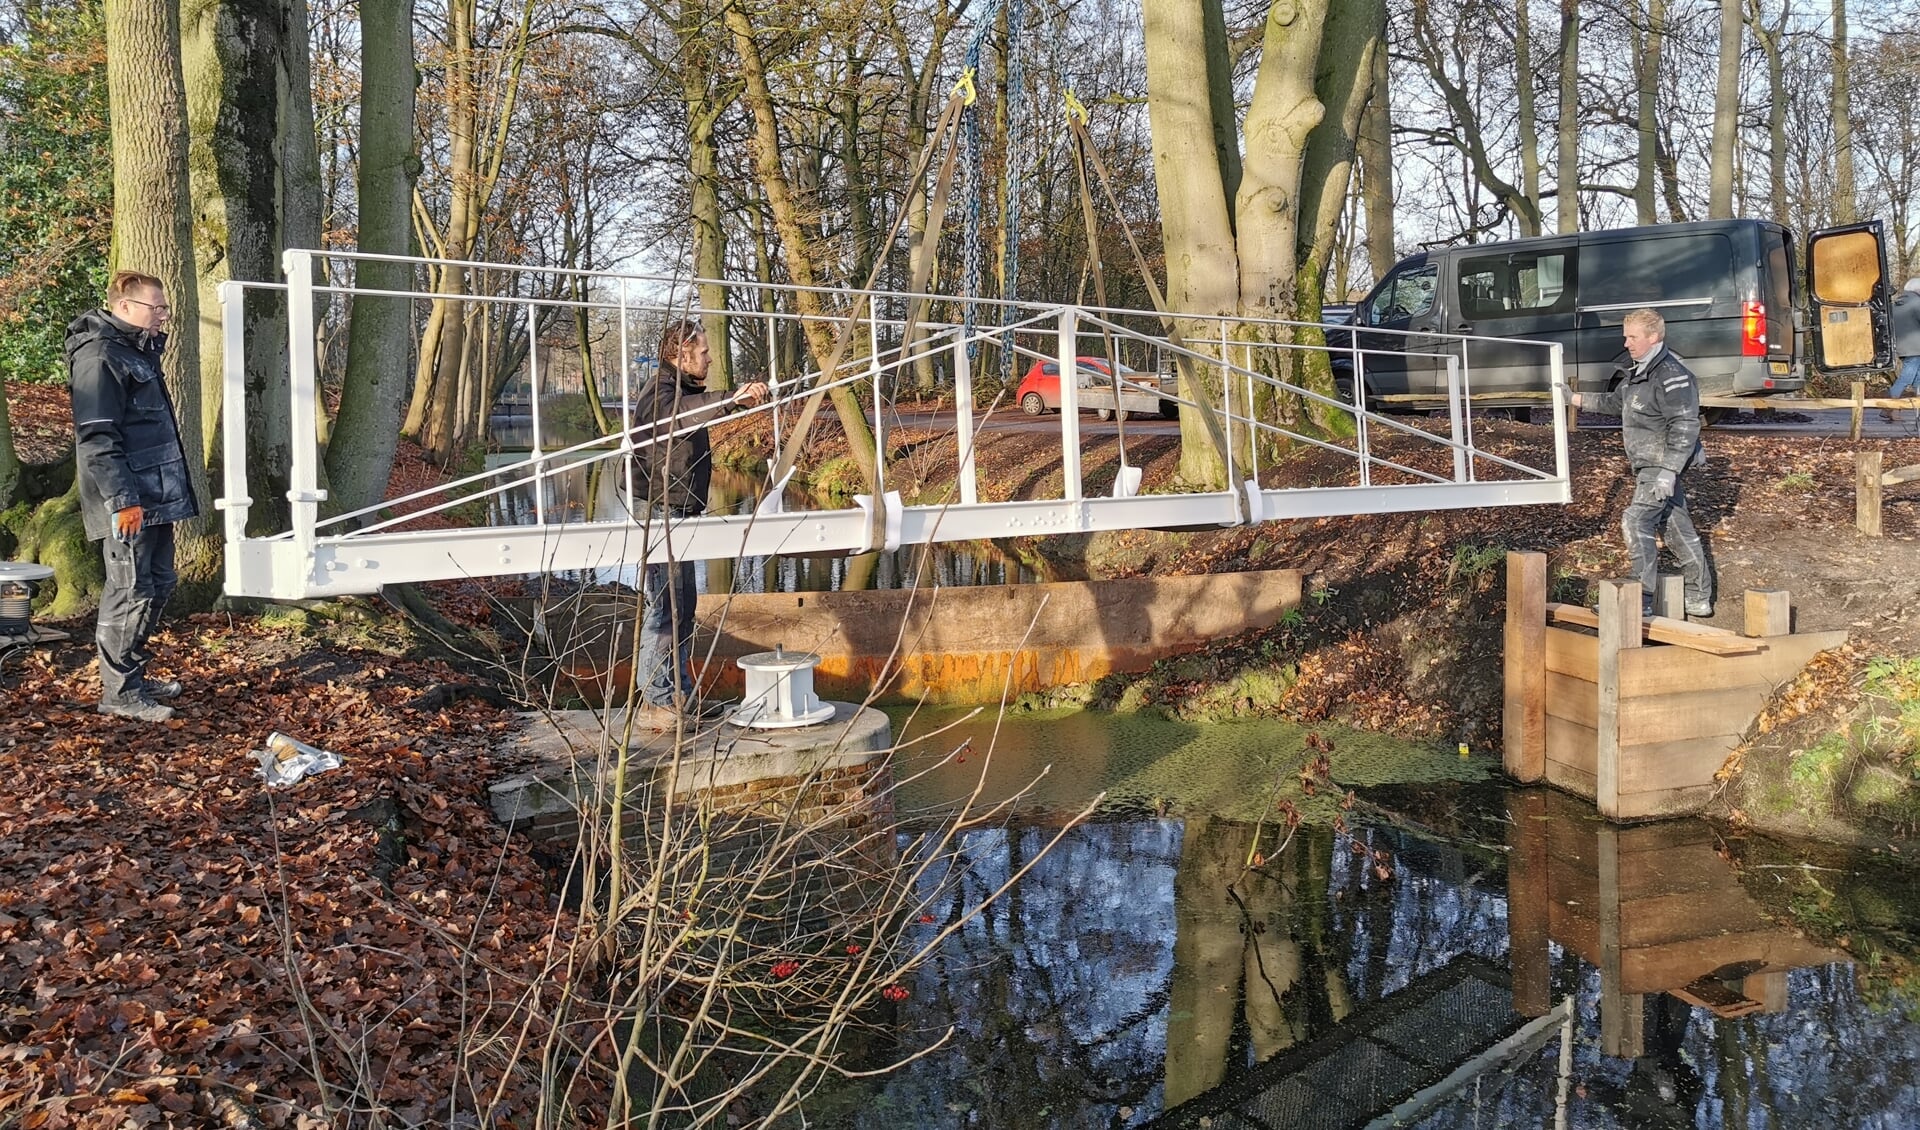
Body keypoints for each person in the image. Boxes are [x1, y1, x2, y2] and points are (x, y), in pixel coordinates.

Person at [66, 271, 199, 721]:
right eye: (155, 308)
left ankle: (133, 674)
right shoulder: (99, 355)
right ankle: (119, 694)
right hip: (127, 501)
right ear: (124, 307)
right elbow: (97, 438)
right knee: (130, 589)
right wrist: (123, 500)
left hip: (155, 496)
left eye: (164, 308)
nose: (163, 316)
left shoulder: (135, 350)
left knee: (159, 584)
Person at [628, 319, 769, 729]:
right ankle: (656, 704)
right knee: (664, 609)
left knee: (683, 606)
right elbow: (682, 416)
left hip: (678, 510)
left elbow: (693, 410)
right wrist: (731, 400)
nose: (709, 358)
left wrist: (743, 398)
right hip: (660, 510)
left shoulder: (681, 389)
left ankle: (679, 696)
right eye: (704, 352)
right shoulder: (661, 391)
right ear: (681, 352)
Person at [1568, 308, 1714, 618]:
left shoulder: (1673, 376)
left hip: (1659, 465)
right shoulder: (1638, 371)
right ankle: (1698, 597)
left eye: (1632, 337)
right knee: (1676, 526)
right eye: (1626, 336)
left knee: (1636, 520)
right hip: (1648, 464)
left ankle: (1641, 596)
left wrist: (1669, 472)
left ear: (1654, 337)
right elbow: (1617, 403)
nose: (1626, 343)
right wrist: (1575, 399)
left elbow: (1686, 425)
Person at [1886, 278, 1920, 421]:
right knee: (1906, 377)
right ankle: (1889, 407)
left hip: (1902, 347)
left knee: (1918, 379)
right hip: (1916, 348)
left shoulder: (1896, 305)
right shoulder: (1917, 303)